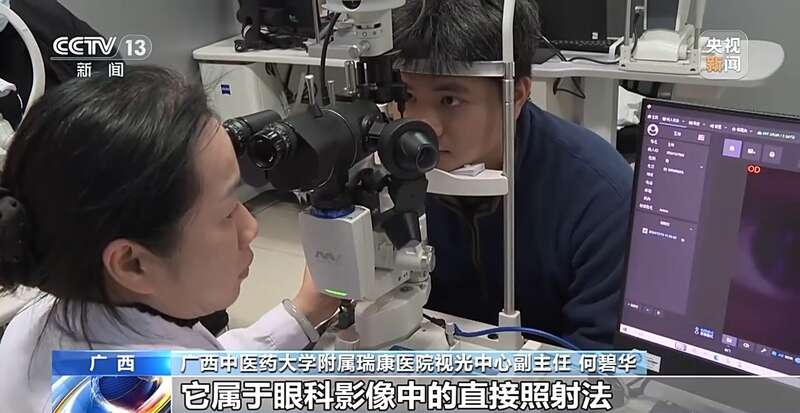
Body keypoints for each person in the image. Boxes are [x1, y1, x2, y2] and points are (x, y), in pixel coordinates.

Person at [0, 66, 339, 410]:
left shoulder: (38, 320)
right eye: (226, 213)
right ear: (132, 263)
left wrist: (304, 313)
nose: (250, 227)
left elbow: (190, 367)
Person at [392, 0, 634, 349]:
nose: (424, 129)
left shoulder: (601, 197)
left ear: (517, 94)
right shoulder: (392, 169)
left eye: (449, 100)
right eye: (409, 95)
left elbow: (598, 356)